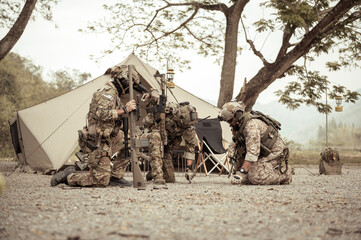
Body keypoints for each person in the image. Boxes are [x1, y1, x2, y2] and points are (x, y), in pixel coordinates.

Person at [51, 65, 147, 187]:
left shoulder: (115, 94)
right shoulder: (107, 93)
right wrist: (124, 110)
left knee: (130, 140)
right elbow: (101, 114)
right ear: (123, 81)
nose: (129, 90)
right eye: (130, 85)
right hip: (99, 141)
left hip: (110, 136)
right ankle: (68, 176)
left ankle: (116, 177)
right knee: (99, 181)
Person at [219, 101, 292, 185]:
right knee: (247, 175)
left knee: (256, 178)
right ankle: (252, 173)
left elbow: (253, 153)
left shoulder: (251, 126)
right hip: (261, 151)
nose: (230, 124)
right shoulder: (239, 124)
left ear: (237, 115)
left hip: (274, 152)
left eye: (230, 121)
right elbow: (235, 142)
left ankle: (285, 174)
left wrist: (242, 172)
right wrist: (232, 156)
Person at [141, 90, 198, 184]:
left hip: (166, 147)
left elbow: (190, 148)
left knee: (170, 179)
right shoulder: (169, 107)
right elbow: (154, 93)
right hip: (149, 137)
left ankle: (155, 168)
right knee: (156, 136)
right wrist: (152, 94)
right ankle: (157, 174)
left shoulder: (189, 128)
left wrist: (189, 169)